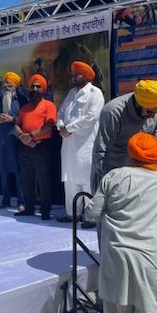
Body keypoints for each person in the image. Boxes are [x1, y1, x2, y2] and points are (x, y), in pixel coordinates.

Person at [85, 132, 157, 313]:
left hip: (117, 264)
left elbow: (92, 214)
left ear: (130, 154)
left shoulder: (114, 176)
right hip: (151, 266)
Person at [91, 79, 157, 192]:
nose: (153, 117)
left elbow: (154, 141)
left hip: (140, 177)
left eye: (156, 113)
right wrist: (114, 181)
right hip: (112, 176)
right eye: (150, 113)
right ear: (139, 105)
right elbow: (101, 153)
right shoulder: (113, 112)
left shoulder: (154, 108)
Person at [56, 61, 104, 226]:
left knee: (87, 181)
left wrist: (69, 128)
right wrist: (60, 125)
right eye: (74, 74)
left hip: (86, 146)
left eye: (77, 74)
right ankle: (72, 214)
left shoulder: (95, 93)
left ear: (86, 76)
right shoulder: (71, 93)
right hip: (68, 145)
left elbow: (91, 117)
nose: (74, 77)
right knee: (70, 180)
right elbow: (61, 112)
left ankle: (90, 217)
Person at [13, 74, 57, 220]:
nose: (35, 89)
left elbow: (49, 125)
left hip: (41, 146)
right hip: (24, 147)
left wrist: (31, 136)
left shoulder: (49, 105)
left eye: (38, 87)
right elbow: (16, 125)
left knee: (43, 179)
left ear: (43, 89)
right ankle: (29, 208)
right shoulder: (25, 108)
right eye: (32, 86)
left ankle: (45, 210)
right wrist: (23, 137)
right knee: (26, 178)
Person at [0, 72, 27, 210]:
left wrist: (12, 119)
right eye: (4, 83)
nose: (5, 85)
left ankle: (22, 201)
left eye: (9, 83)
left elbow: (26, 119)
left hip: (15, 139)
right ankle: (5, 199)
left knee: (18, 170)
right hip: (1, 139)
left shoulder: (22, 100)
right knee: (2, 169)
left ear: (15, 85)